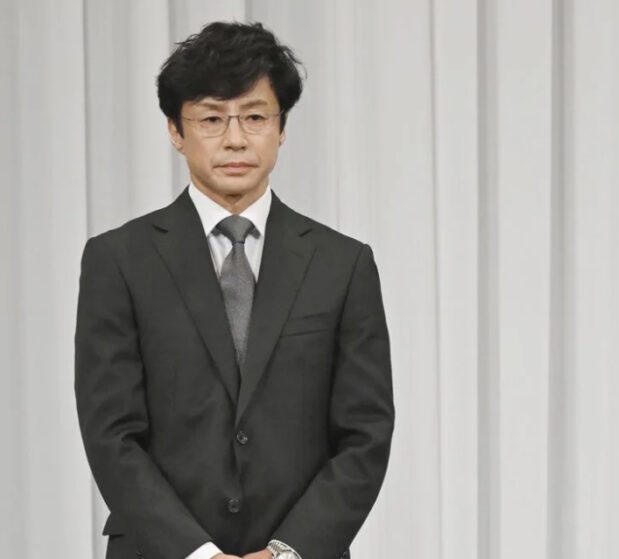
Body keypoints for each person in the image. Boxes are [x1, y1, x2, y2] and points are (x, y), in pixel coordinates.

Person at [75, 22, 394, 559]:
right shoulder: (118, 260)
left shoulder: (343, 264)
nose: (235, 139)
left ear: (281, 127)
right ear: (175, 130)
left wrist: (287, 551)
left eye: (254, 117)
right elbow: (111, 434)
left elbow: (366, 432)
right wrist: (197, 554)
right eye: (211, 119)